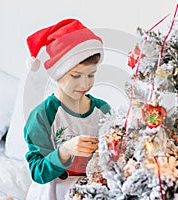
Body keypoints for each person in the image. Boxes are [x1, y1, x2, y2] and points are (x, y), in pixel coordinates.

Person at [24, 18, 111, 200]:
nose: (85, 83)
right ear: (58, 73)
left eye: (91, 75)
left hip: (94, 191)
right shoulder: (42, 115)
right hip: (54, 192)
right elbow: (37, 171)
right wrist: (64, 151)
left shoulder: (103, 109)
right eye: (76, 76)